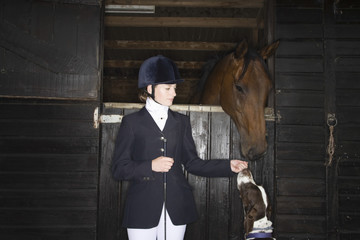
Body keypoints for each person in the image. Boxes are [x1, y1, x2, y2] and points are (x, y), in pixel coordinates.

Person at [111, 55, 248, 240]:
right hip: (141, 208)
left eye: (174, 88)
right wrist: (150, 166)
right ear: (150, 88)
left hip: (177, 207)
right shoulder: (131, 123)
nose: (174, 93)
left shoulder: (181, 122)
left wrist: (227, 166)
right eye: (168, 88)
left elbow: (192, 163)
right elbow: (119, 169)